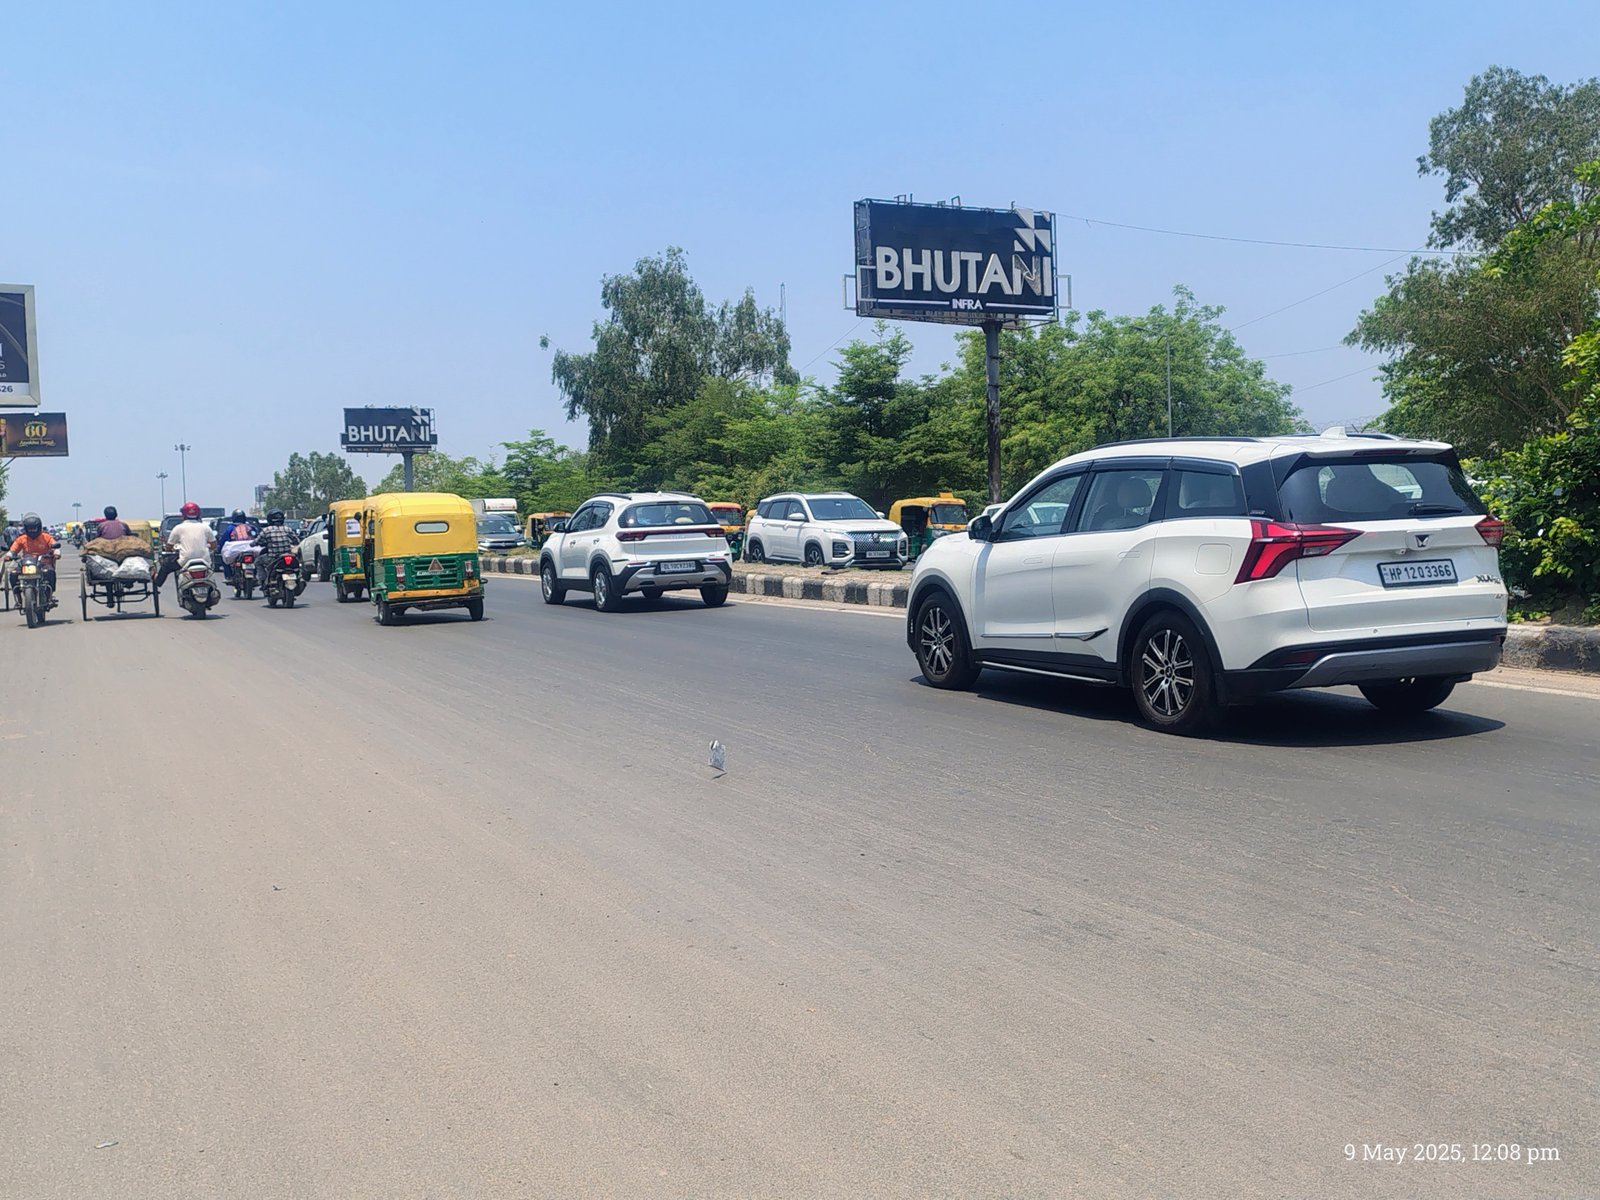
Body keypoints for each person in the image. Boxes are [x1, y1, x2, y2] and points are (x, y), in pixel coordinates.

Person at [155, 502, 216, 592]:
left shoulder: (178, 528)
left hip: (185, 561)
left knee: (166, 565)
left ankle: (157, 582)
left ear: (183, 515)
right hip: (205, 560)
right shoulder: (205, 527)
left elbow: (169, 547)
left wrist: (170, 550)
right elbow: (213, 545)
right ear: (198, 514)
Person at [5, 513, 60, 605]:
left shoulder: (46, 537)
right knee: (13, 574)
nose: (32, 531)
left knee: (50, 572)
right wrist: (9, 555)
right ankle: (18, 599)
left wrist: (56, 553)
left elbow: (54, 546)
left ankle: (49, 595)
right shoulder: (21, 539)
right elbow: (13, 549)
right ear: (26, 529)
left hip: (43, 563)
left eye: (34, 528)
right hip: (26, 563)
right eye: (30, 529)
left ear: (39, 527)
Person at [255, 510, 299, 585]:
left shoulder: (266, 530)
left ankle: (262, 580)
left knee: (257, 562)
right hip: (288, 556)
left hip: (273, 558)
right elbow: (297, 541)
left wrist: (253, 544)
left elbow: (257, 541)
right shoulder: (287, 529)